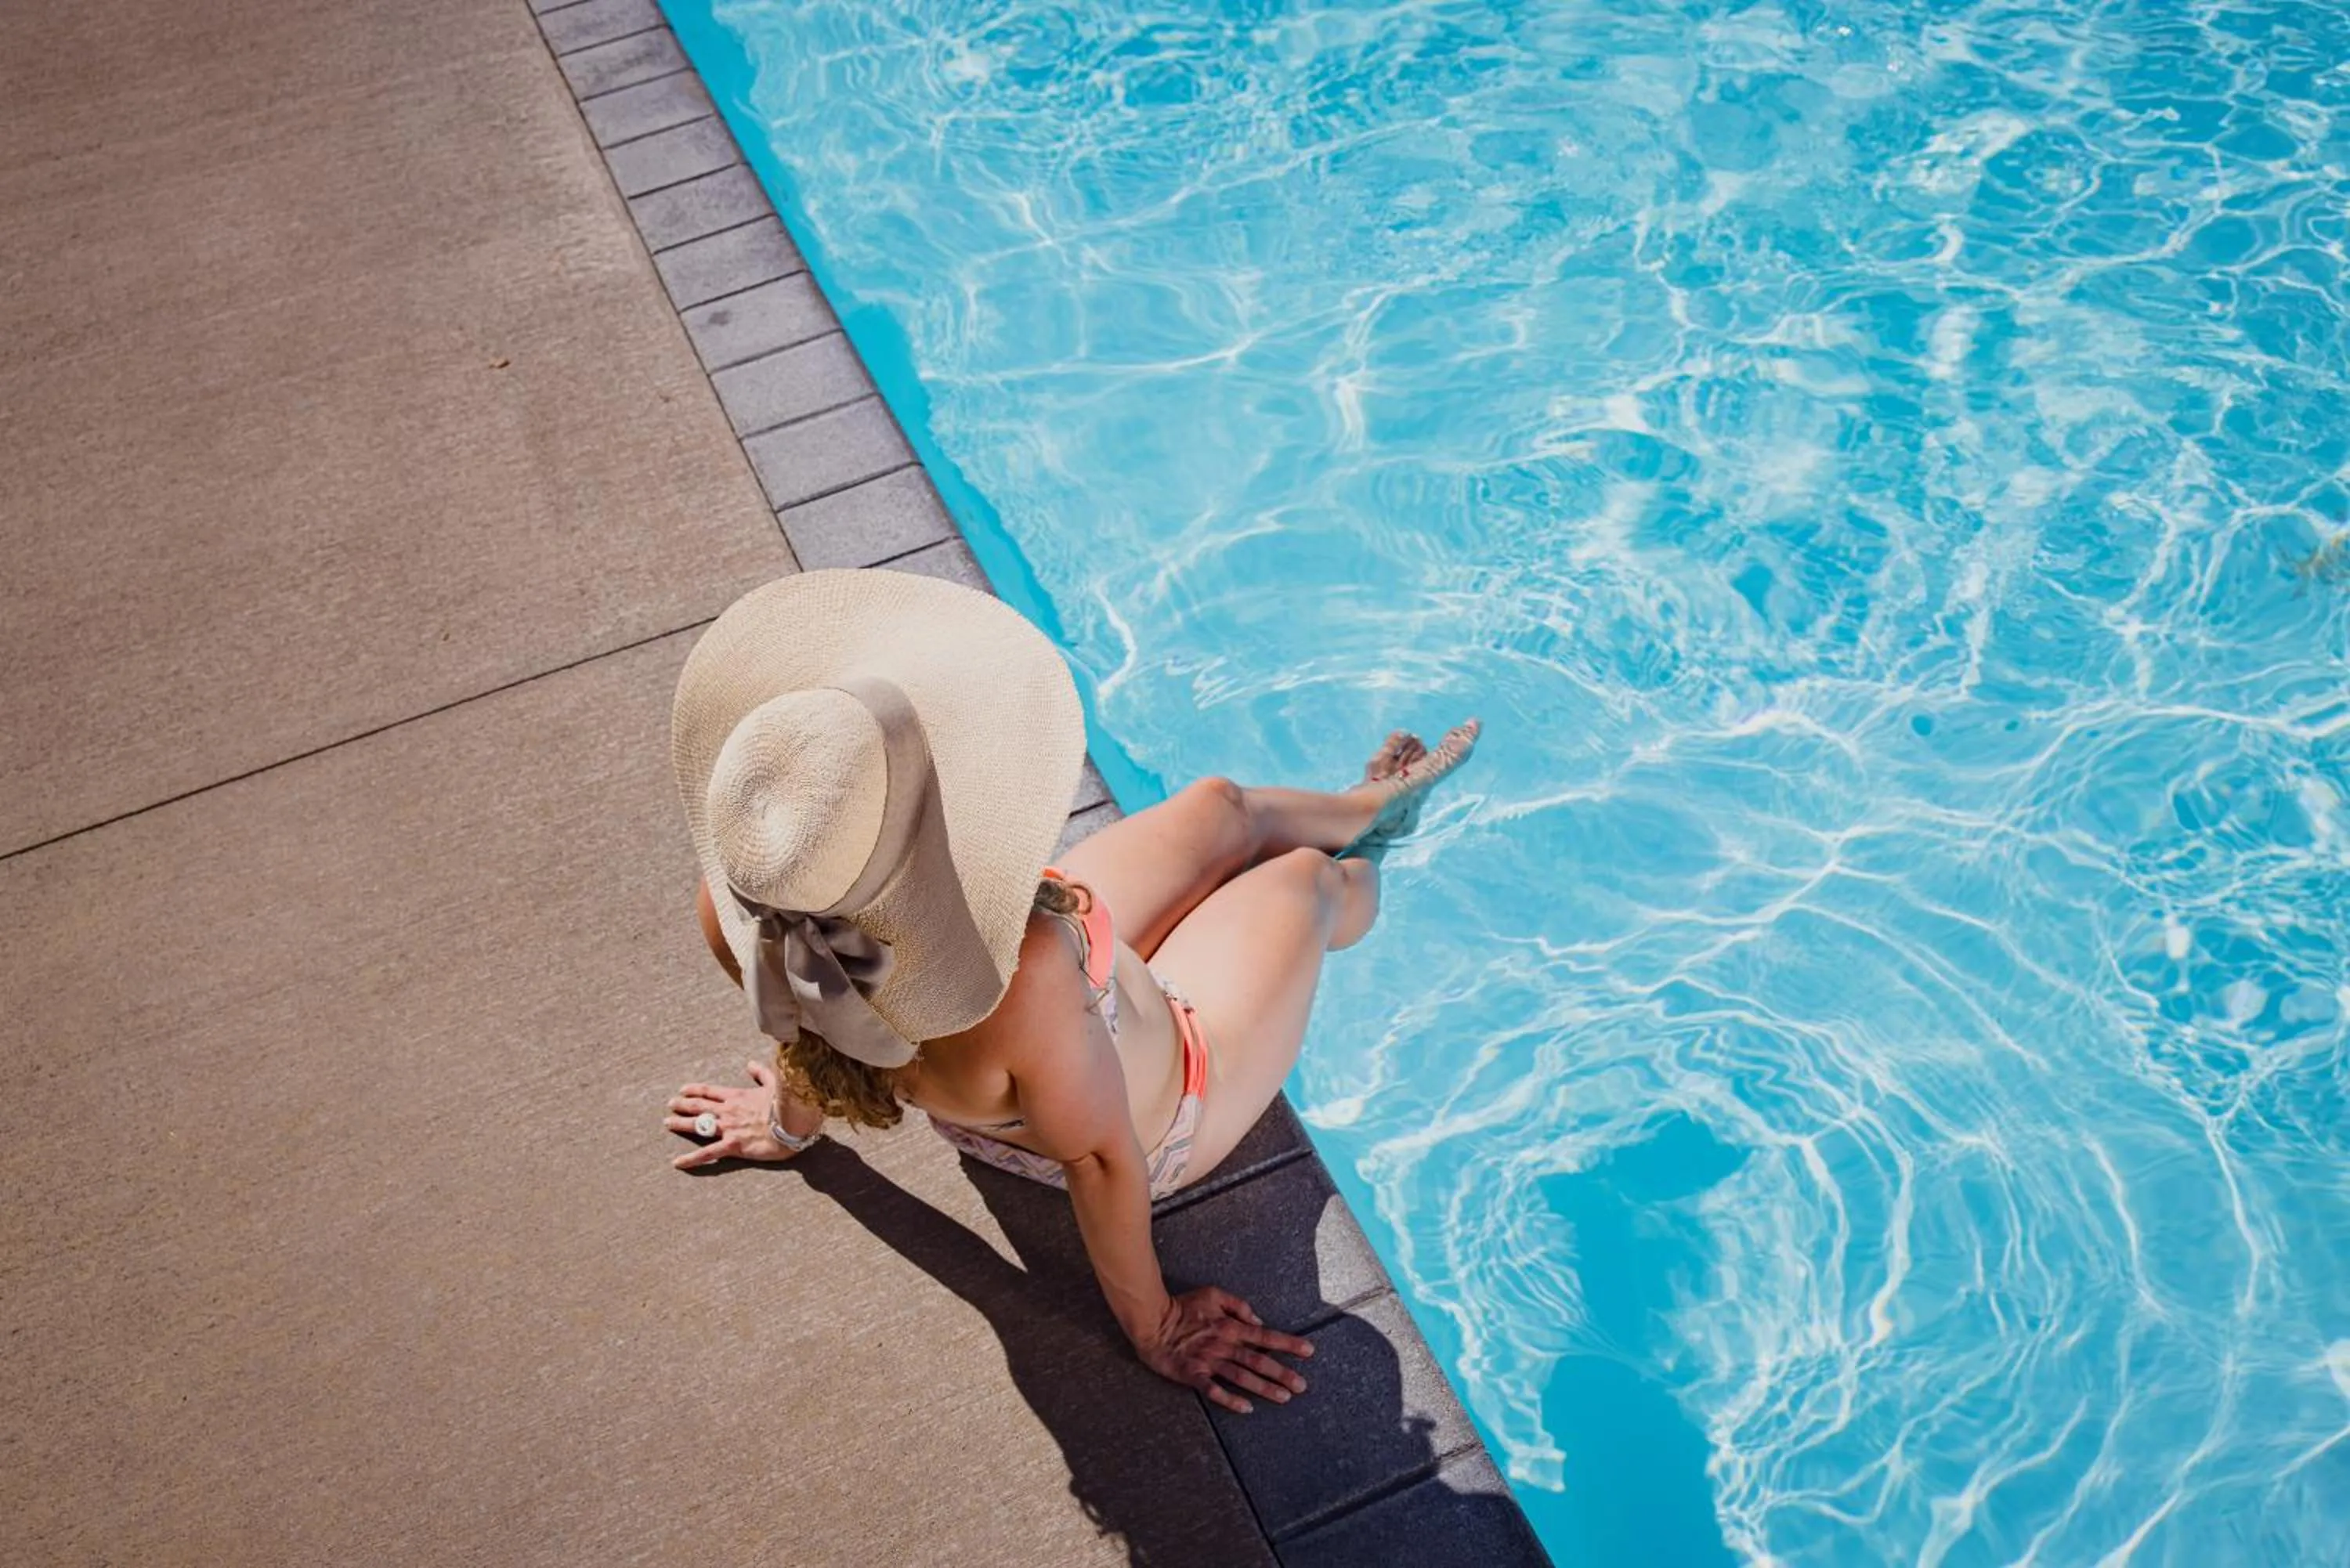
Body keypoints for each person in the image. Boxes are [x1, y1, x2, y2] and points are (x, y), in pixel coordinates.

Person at [663, 572, 1477, 1413]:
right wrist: (1157, 1326)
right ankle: (1373, 852)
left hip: (1071, 1022)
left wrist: (786, 1127)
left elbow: (809, 1017)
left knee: (1221, 809)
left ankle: (1368, 803)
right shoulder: (1026, 971)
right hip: (1163, 1099)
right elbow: (1099, 1157)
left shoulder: (747, 904)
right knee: (1305, 880)